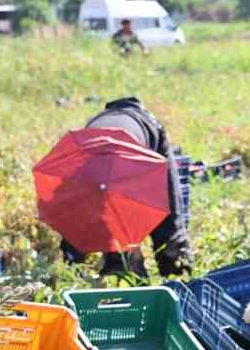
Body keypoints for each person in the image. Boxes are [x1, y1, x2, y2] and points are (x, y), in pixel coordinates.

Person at [79, 96, 192, 277]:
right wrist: (173, 237)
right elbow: (168, 192)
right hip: (129, 155)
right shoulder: (149, 122)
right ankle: (174, 269)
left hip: (92, 156)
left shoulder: (95, 121)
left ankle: (114, 267)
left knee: (105, 219)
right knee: (169, 221)